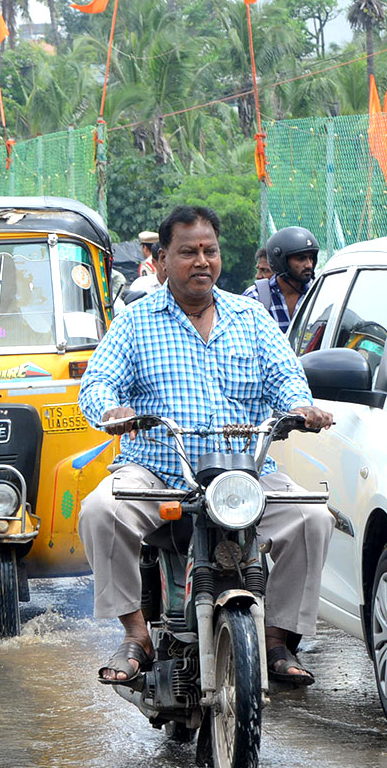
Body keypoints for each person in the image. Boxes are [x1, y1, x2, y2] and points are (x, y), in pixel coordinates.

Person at [77, 205, 335, 687]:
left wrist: (302, 408)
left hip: (244, 474)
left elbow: (287, 380)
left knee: (313, 519)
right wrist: (112, 412)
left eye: (210, 251)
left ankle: (278, 639)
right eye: (188, 252)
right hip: (157, 471)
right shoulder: (135, 322)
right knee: (100, 512)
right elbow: (96, 385)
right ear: (159, 259)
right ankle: (135, 633)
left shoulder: (251, 317)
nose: (202, 261)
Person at [244, 227, 318, 333]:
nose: (309, 265)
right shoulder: (255, 297)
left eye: (311, 258)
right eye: (301, 258)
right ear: (281, 261)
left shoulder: (318, 295)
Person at [114, 243, 165, 314]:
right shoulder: (141, 285)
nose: (167, 266)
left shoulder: (183, 287)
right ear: (154, 262)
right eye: (163, 261)